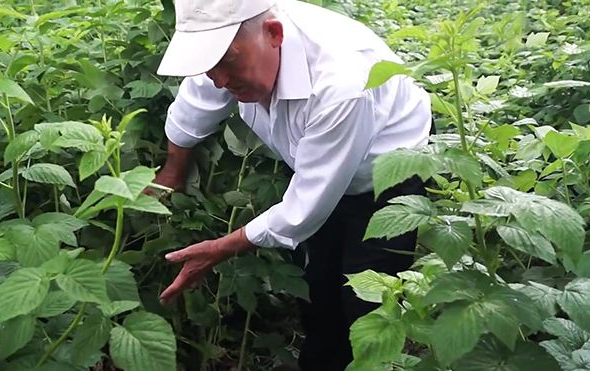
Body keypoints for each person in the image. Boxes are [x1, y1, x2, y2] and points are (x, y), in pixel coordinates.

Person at [154, 0, 432, 369]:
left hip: (385, 171)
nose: (219, 80)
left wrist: (220, 248)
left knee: (367, 300)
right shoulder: (231, 49)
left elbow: (304, 208)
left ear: (274, 34)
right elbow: (194, 108)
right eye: (210, 68)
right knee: (319, 286)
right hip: (317, 162)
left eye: (227, 64)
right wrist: (171, 173)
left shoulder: (341, 81)